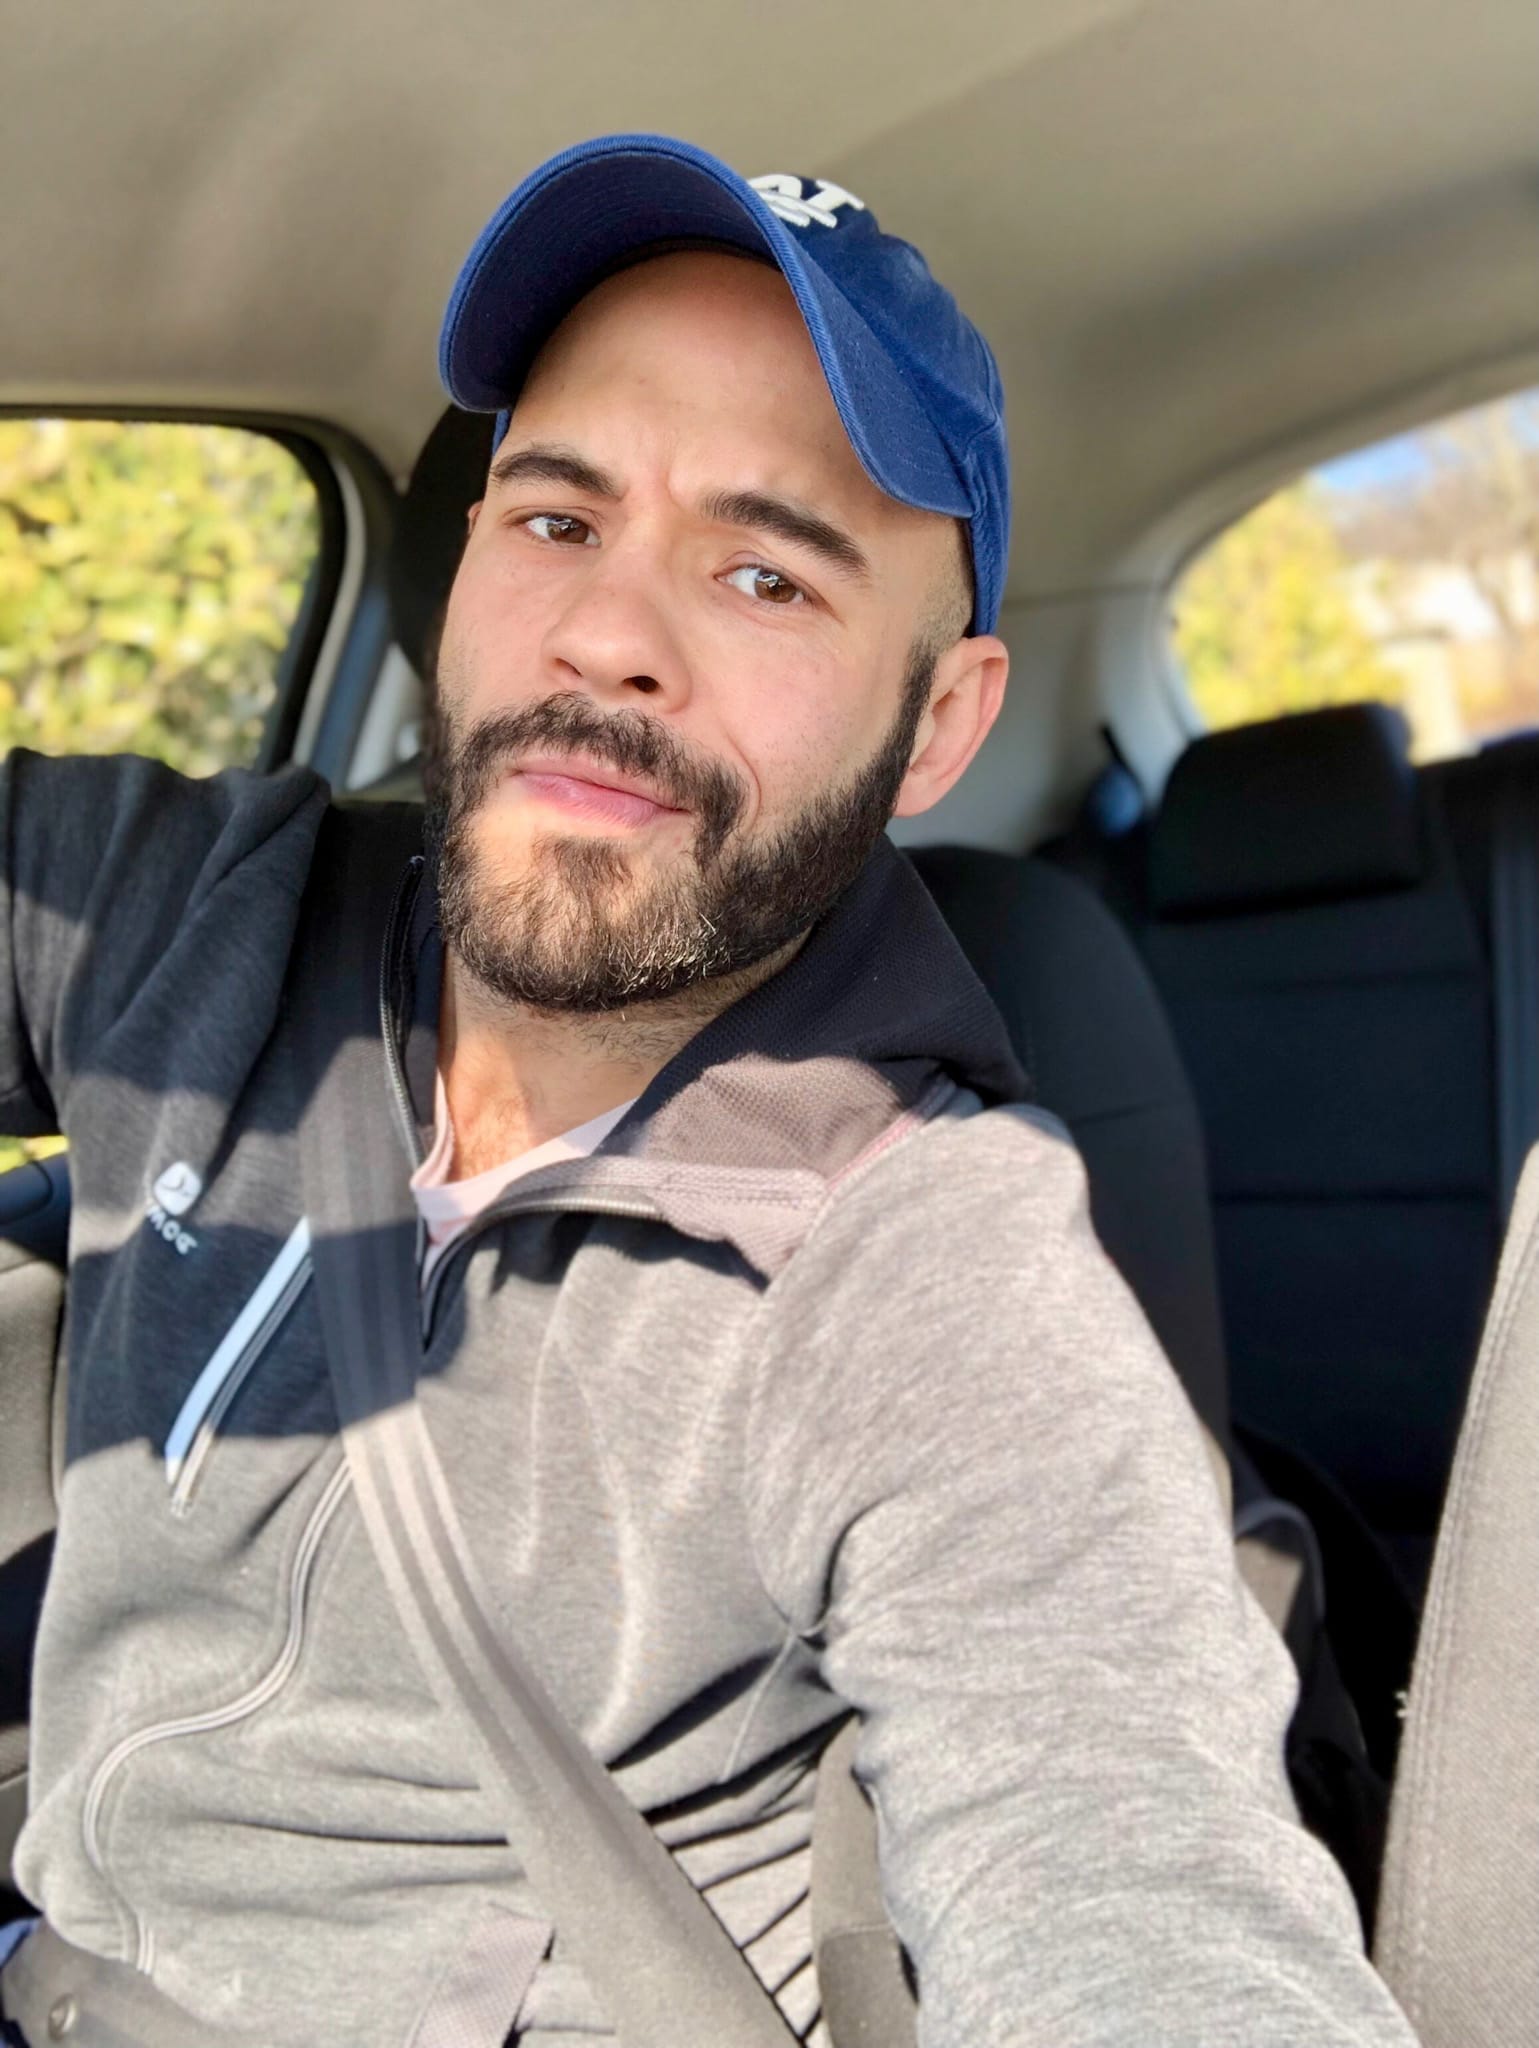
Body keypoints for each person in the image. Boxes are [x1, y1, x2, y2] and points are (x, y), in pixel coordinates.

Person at [0, 134, 1416, 2047]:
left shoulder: (929, 1266)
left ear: (940, 722)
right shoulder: (190, 910)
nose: (607, 637)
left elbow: (1138, 1887)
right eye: (557, 519)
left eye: (764, 571)